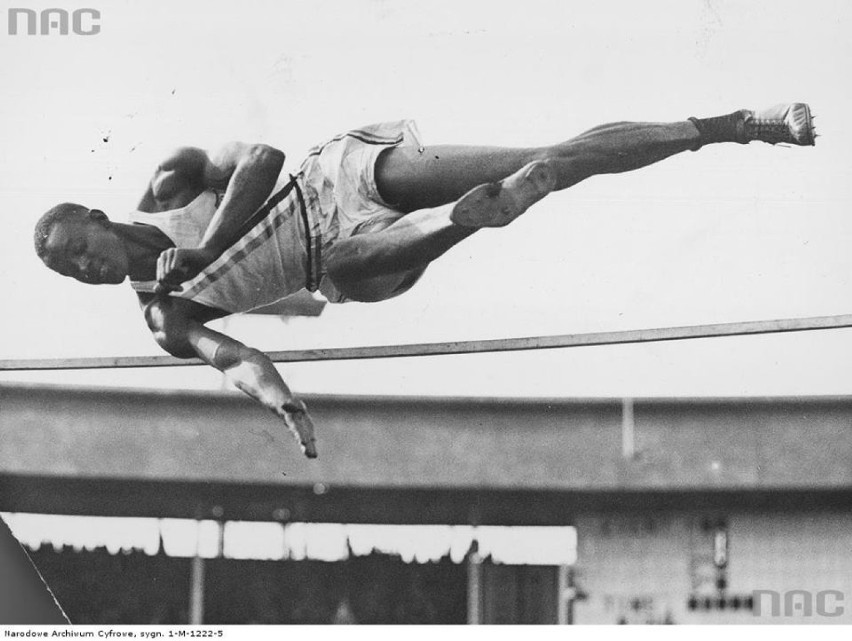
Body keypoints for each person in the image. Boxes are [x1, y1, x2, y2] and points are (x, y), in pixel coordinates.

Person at [33, 104, 816, 459]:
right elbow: (232, 357)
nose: (85, 268)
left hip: (329, 182)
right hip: (350, 269)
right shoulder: (163, 317)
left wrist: (204, 252)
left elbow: (264, 158)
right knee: (346, 270)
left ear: (100, 217)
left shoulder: (172, 183)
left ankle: (729, 126)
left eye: (78, 247)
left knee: (542, 155)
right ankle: (465, 222)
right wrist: (282, 401)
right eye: (71, 271)